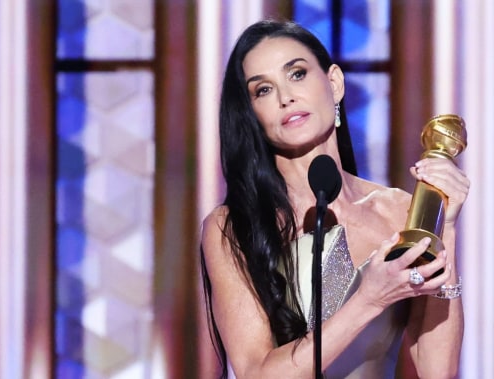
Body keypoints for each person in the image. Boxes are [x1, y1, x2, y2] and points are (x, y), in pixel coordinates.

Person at [200, 19, 469, 379]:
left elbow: (438, 371)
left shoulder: (398, 211)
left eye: (296, 74)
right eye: (263, 90)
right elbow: (256, 373)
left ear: (335, 82)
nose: (285, 97)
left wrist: (445, 228)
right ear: (252, 116)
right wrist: (369, 299)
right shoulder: (233, 227)